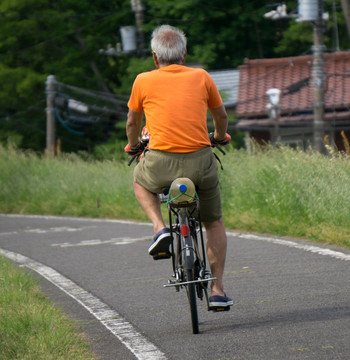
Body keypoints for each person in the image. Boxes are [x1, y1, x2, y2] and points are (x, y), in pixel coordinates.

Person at [125, 25, 232, 310]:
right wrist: (220, 137)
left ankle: (160, 228)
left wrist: (134, 145)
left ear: (154, 56)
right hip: (200, 162)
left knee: (139, 180)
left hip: (159, 162)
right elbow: (220, 115)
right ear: (184, 55)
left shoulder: (142, 80)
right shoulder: (201, 76)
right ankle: (218, 290)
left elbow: (132, 123)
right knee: (213, 223)